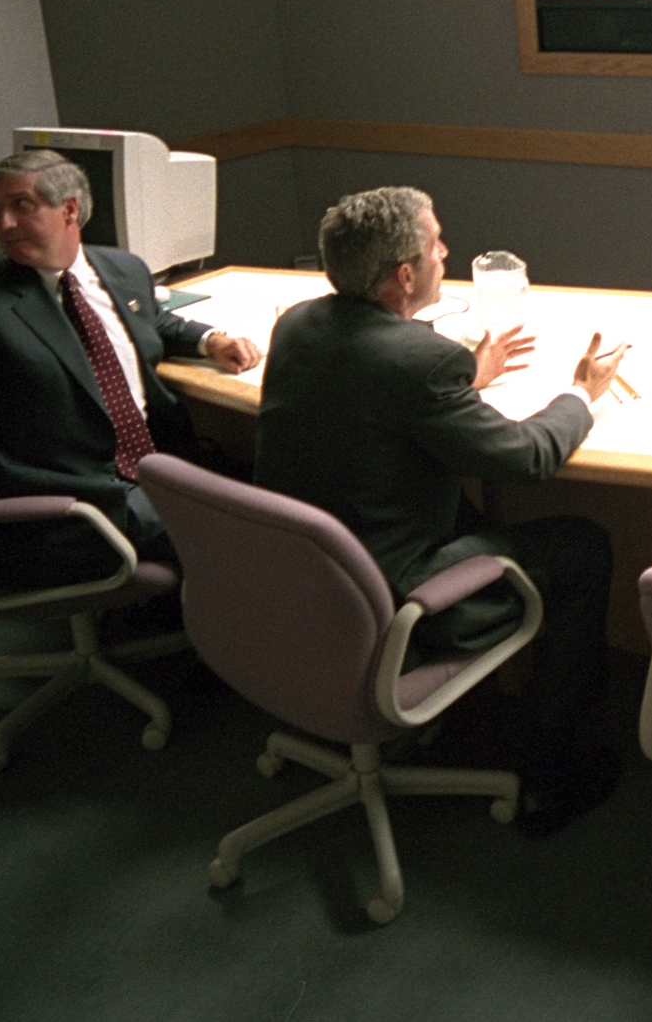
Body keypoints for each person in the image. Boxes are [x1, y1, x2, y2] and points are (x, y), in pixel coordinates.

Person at [253, 186, 629, 834]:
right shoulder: (421, 362)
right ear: (405, 275)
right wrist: (581, 393)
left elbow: (378, 387)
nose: (445, 252)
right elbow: (528, 459)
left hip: (306, 579)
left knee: (480, 517)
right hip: (394, 594)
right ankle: (552, 768)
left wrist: (466, 377)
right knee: (583, 546)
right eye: (436, 243)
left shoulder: (297, 324)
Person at [0, 149, 260, 590]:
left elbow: (151, 320)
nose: (4, 224)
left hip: (163, 464)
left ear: (69, 210)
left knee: (277, 500)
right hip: (73, 500)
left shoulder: (123, 269)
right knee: (250, 537)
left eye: (21, 205)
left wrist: (212, 340)